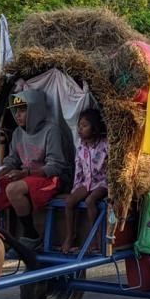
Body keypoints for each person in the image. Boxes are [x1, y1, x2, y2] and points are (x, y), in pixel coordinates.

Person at [0, 89, 72, 251]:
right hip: (26, 178)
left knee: (14, 188)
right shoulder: (19, 133)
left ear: (34, 110)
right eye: (16, 111)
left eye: (22, 110)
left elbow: (56, 166)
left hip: (51, 179)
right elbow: (13, 160)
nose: (17, 115)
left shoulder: (51, 130)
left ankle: (32, 235)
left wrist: (25, 173)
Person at [61, 108, 108, 254]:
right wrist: (76, 190)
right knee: (69, 202)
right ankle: (70, 235)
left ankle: (94, 239)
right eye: (79, 126)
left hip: (102, 183)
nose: (80, 129)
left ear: (94, 128)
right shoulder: (81, 147)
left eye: (85, 126)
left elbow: (113, 167)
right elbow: (79, 171)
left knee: (90, 201)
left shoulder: (106, 144)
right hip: (87, 183)